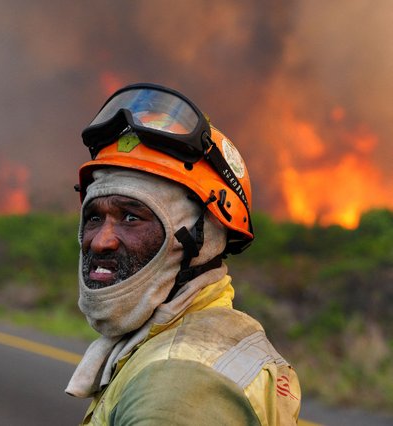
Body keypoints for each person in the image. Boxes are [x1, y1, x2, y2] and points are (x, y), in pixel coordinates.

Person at [65, 83, 301, 425]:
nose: (100, 241)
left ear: (200, 240)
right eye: (94, 217)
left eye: (132, 217)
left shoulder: (177, 388)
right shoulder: (203, 339)